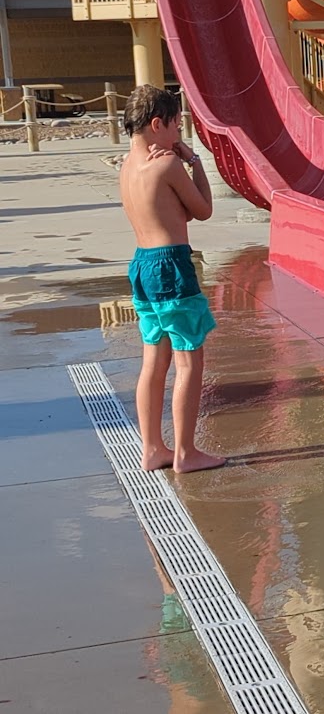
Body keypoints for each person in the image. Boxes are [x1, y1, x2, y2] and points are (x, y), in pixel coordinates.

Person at [118, 84, 225, 473]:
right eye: (178, 125)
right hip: (171, 265)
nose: (180, 133)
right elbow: (203, 210)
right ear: (157, 123)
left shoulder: (127, 167)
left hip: (142, 265)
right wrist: (194, 161)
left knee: (154, 360)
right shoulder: (167, 165)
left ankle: (152, 449)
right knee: (189, 361)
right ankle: (185, 453)